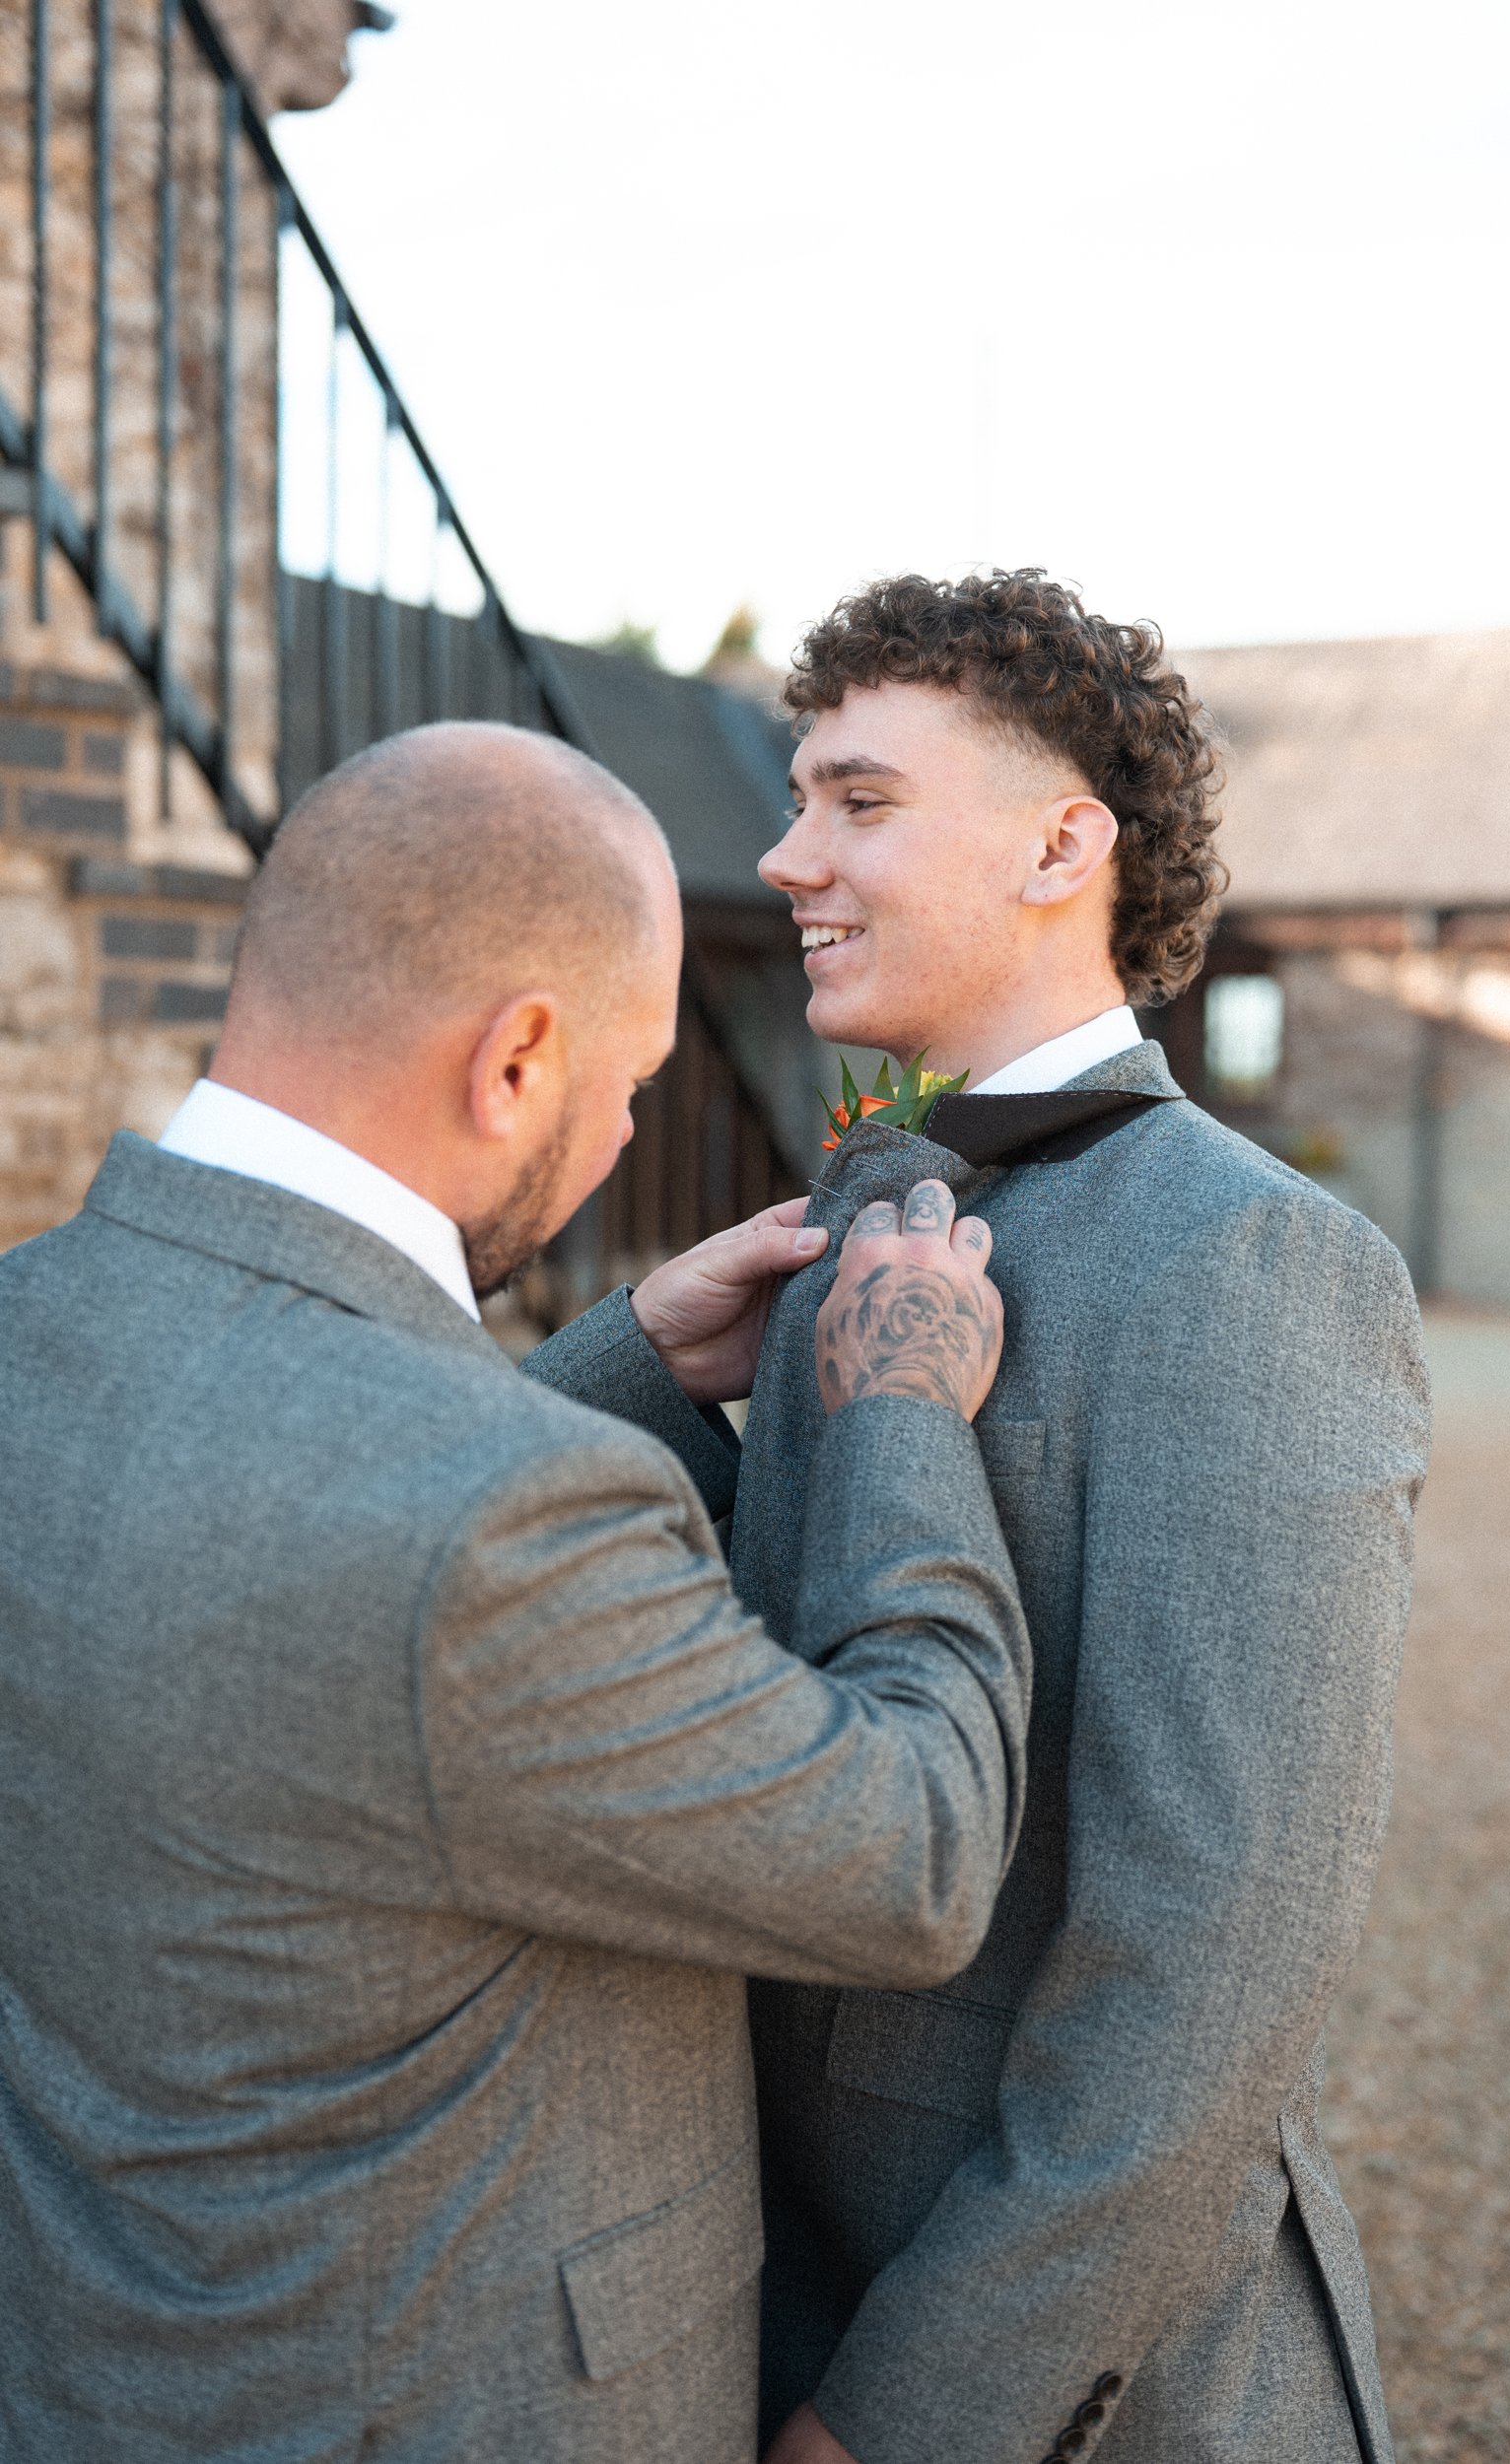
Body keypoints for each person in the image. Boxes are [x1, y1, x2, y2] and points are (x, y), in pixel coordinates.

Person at [0, 720, 1033, 2464]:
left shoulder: (40, 1320)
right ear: (518, 1058)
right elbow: (916, 1855)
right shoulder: (494, 1526)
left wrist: (621, 1362)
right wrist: (905, 1417)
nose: (628, 1129)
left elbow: (301, 1570)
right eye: (628, 1082)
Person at [526, 573, 1432, 2464]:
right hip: (744, 2299)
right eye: (797, 802)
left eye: (858, 801)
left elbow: (1213, 1972)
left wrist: (905, 2423)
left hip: (1054, 2382)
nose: (784, 857)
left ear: (1058, 844)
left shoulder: (1253, 1265)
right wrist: (629, 1362)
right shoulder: (839, 1213)